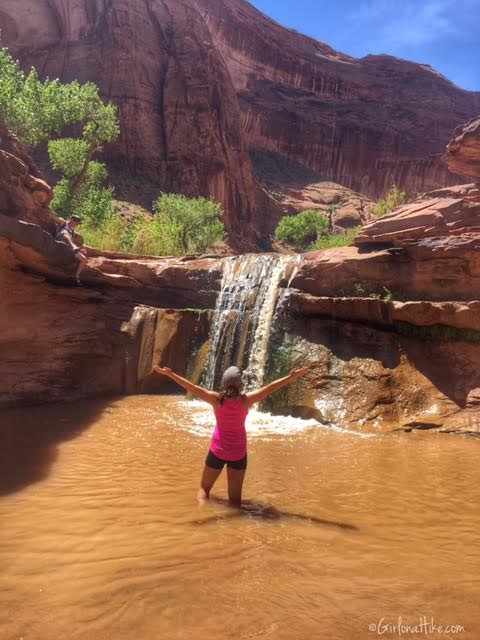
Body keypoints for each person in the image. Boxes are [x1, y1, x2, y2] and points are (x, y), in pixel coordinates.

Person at [153, 364, 309, 507]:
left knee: (203, 490)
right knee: (235, 501)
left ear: (224, 383)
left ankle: (201, 518)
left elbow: (192, 388)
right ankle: (233, 534)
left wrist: (170, 374)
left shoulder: (216, 399)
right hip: (238, 454)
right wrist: (291, 377)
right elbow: (270, 388)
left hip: (217, 451)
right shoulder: (246, 401)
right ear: (239, 383)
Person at [54, 215, 88, 285]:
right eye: (77, 222)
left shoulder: (72, 231)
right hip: (58, 243)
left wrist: (81, 250)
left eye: (78, 223)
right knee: (65, 233)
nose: (77, 225)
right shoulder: (64, 223)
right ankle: (73, 247)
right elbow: (55, 218)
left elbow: (72, 241)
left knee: (84, 259)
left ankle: (76, 277)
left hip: (67, 249)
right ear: (71, 220)